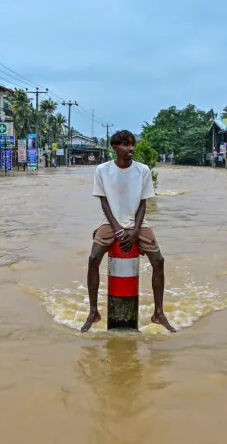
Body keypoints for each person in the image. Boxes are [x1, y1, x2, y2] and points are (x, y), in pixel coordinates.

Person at [80, 130, 176, 333]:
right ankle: (93, 311)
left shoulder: (143, 170)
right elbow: (104, 203)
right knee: (93, 258)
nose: (131, 148)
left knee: (159, 260)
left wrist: (135, 232)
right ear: (115, 147)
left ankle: (158, 313)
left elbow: (143, 204)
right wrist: (117, 230)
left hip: (138, 222)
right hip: (110, 221)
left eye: (132, 144)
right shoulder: (102, 170)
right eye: (126, 145)